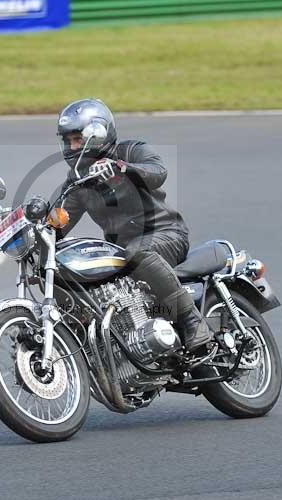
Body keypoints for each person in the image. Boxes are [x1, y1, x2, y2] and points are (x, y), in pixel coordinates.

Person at [53, 98, 213, 351]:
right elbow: (58, 221)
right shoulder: (77, 183)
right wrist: (28, 229)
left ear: (97, 134)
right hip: (120, 252)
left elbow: (158, 172)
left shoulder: (129, 151)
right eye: (68, 140)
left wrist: (122, 168)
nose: (72, 146)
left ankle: (192, 320)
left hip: (165, 235)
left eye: (77, 139)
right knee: (64, 266)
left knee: (138, 251)